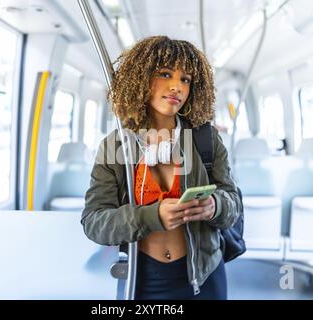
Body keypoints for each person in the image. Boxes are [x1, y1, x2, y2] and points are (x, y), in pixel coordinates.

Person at [81, 36, 241, 300]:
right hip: (142, 279)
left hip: (203, 276)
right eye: (165, 74)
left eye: (185, 79)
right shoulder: (116, 145)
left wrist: (215, 205)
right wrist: (150, 216)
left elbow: (232, 204)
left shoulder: (206, 140)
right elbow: (94, 222)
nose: (176, 86)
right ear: (141, 78)